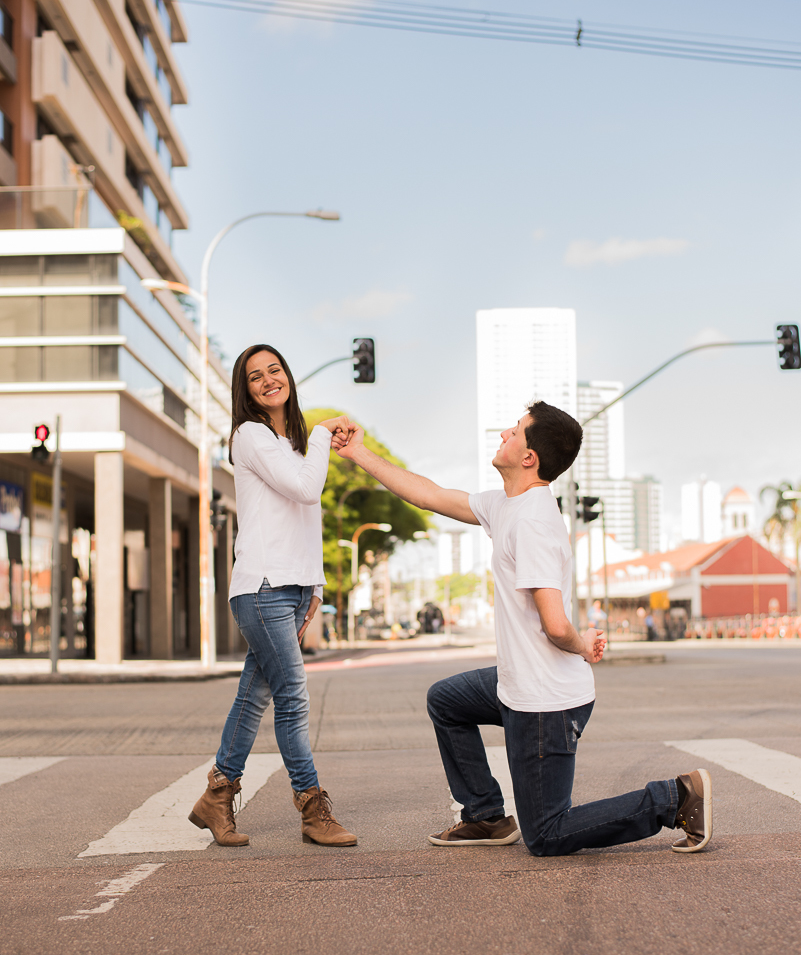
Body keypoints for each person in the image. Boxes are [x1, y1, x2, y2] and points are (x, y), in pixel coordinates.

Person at [333, 401, 712, 855]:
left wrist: (582, 644)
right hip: (519, 685)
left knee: (547, 834)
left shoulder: (533, 522)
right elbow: (429, 493)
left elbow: (555, 625)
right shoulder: (507, 504)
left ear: (529, 458)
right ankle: (486, 815)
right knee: (446, 701)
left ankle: (676, 799)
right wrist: (358, 453)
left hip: (545, 704)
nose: (502, 437)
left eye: (513, 433)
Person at [189, 343, 357, 849]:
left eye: (275, 370)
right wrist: (328, 431)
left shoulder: (290, 442)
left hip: (289, 586)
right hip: (262, 587)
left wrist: (316, 583)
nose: (267, 380)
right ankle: (311, 808)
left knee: (255, 695)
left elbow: (305, 516)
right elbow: (307, 491)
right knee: (292, 697)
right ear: (245, 390)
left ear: (288, 376)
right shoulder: (250, 435)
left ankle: (217, 796)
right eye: (255, 376)